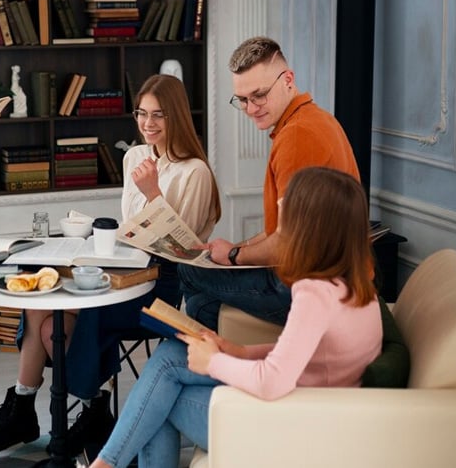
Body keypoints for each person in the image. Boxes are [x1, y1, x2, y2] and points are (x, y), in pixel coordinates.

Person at [0, 73, 221, 457]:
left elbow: (183, 249)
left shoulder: (194, 171)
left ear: (177, 116)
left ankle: (88, 410)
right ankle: (32, 406)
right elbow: (132, 228)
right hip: (125, 266)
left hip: (161, 284)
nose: (147, 123)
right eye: (141, 113)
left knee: (71, 316)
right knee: (43, 307)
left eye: (158, 115)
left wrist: (153, 192)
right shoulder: (135, 156)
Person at [89, 166, 383, 468]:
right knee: (171, 355)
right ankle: (106, 463)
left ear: (309, 225)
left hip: (292, 428)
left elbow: (271, 382)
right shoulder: (354, 286)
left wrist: (214, 361)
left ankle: (106, 463)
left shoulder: (315, 294)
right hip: (306, 411)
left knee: (160, 399)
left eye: (289, 200)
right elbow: (314, 357)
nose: (279, 203)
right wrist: (238, 351)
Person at [179, 36, 360, 329]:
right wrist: (235, 248)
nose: (251, 109)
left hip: (311, 289)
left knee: (189, 273)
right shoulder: (316, 119)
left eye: (259, 95)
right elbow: (282, 229)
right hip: (328, 280)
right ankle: (220, 348)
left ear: (288, 80)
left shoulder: (298, 136)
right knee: (202, 300)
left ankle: (215, 354)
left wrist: (234, 256)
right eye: (242, 100)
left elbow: (287, 243)